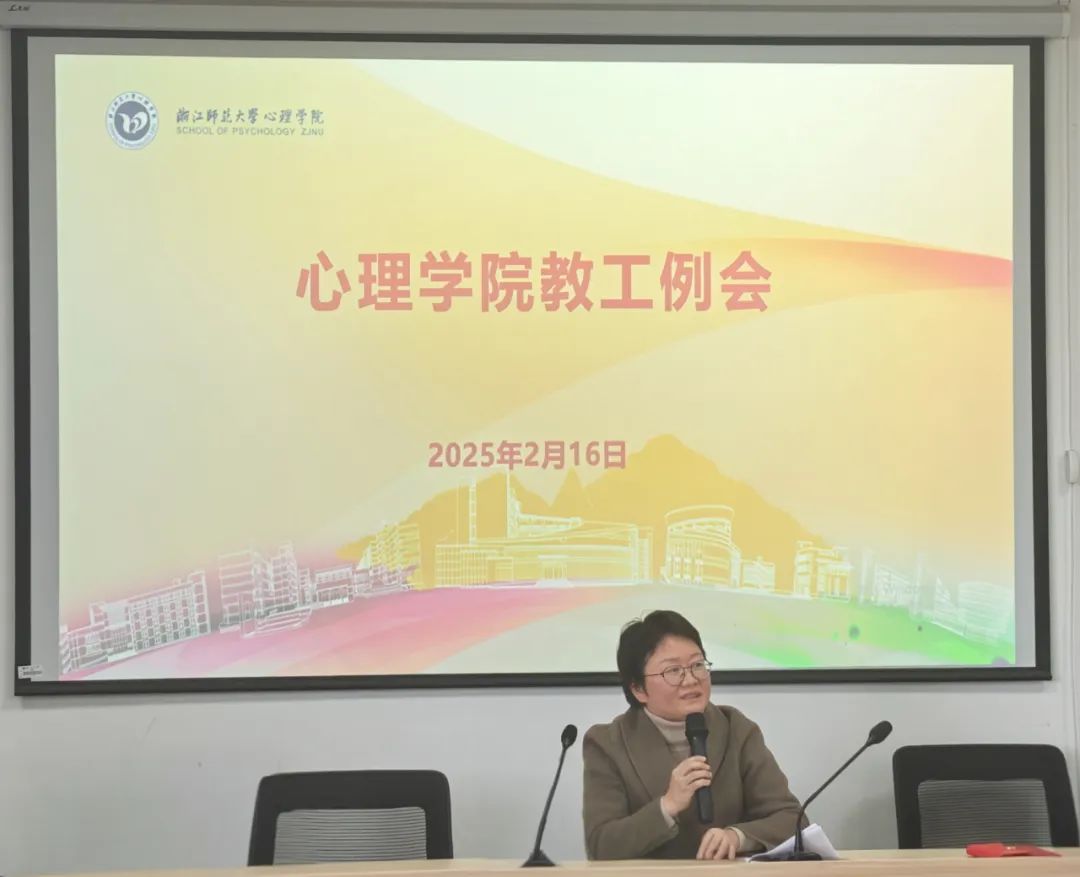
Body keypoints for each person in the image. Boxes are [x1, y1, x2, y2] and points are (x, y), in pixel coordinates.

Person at [582, 609, 802, 860]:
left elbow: (792, 819)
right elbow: (601, 845)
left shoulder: (737, 729)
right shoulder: (607, 743)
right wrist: (666, 806)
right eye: (673, 671)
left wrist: (737, 837)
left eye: (697, 665)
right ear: (638, 689)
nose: (690, 680)